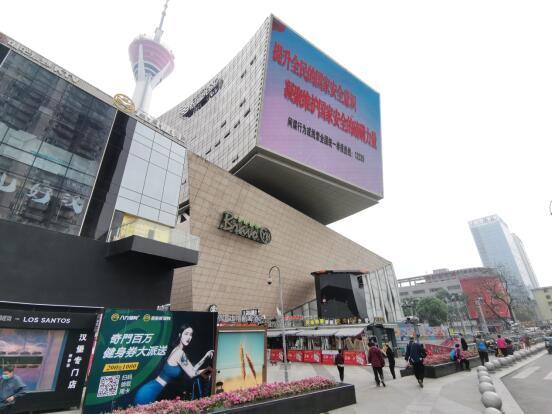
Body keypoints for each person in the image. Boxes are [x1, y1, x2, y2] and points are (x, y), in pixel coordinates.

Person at [134, 324, 214, 404]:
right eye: (186, 334)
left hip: (154, 389)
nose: (189, 337)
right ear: (180, 335)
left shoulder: (177, 349)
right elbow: (192, 374)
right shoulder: (179, 352)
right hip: (150, 391)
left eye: (191, 334)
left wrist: (205, 357)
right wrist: (210, 370)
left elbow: (191, 370)